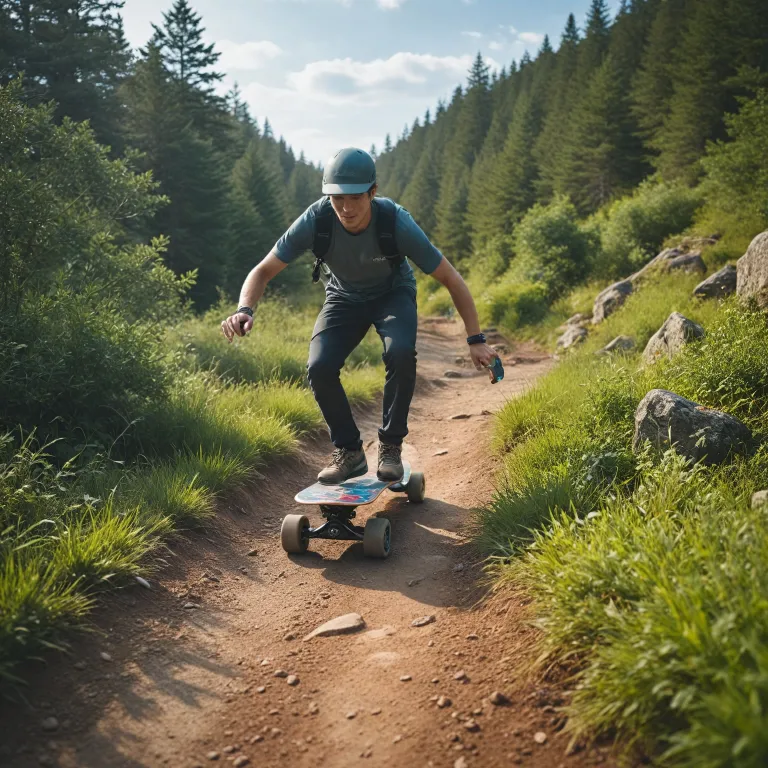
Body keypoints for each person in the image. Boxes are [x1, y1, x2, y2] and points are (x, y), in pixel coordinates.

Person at [221, 147, 498, 484]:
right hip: (344, 298)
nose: (346, 208)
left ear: (372, 192)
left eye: (355, 197)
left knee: (400, 353)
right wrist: (244, 309)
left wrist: (475, 339)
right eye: (337, 198)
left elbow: (451, 279)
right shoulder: (316, 220)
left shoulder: (396, 222)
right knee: (319, 366)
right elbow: (263, 270)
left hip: (392, 294)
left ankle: (391, 447)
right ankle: (349, 451)